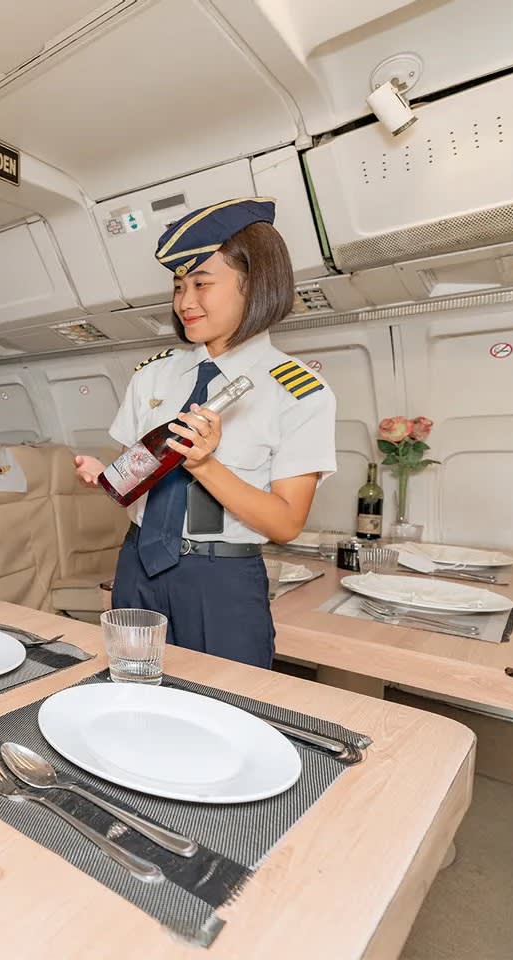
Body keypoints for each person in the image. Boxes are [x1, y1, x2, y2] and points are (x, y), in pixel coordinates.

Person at [74, 198, 336, 667]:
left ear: (255, 283)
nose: (184, 302)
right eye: (178, 286)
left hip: (220, 580)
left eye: (201, 283)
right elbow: (142, 477)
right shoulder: (152, 376)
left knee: (225, 702)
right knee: (130, 696)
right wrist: (110, 478)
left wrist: (204, 464)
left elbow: (285, 524)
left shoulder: (297, 392)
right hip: (137, 564)